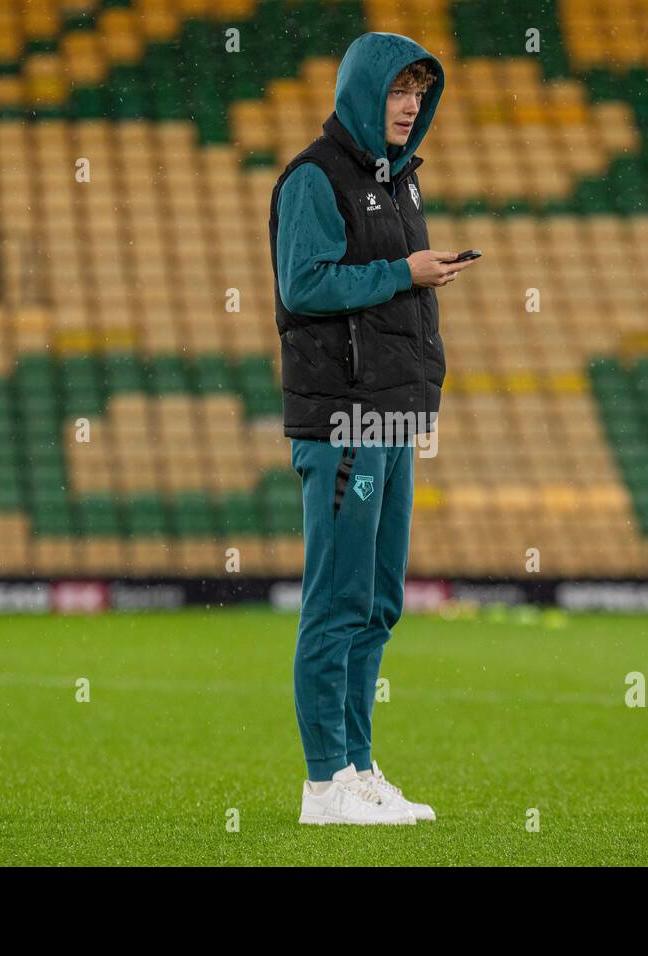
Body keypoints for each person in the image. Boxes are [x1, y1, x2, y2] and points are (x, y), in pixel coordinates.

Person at [268, 32, 477, 825]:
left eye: (419, 93)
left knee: (380, 600)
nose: (410, 105)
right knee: (338, 601)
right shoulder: (313, 179)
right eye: (397, 91)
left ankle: (357, 765)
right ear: (362, 91)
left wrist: (420, 275)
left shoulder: (402, 186)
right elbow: (304, 283)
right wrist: (406, 273)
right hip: (343, 420)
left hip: (393, 419)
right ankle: (324, 785)